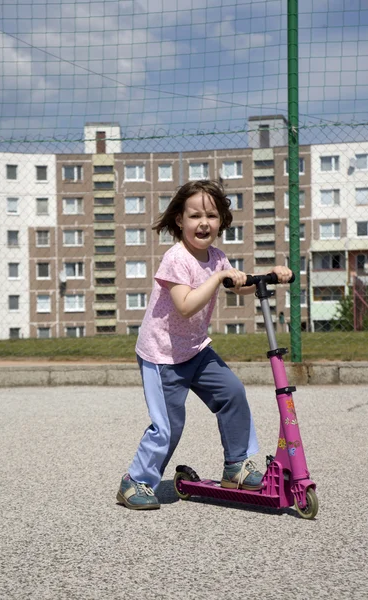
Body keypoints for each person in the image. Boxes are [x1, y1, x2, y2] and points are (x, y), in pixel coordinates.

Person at [116, 179, 292, 510]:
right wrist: (217, 279)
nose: (203, 223)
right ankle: (135, 480)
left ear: (221, 221)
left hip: (196, 350)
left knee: (232, 392)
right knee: (168, 426)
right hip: (162, 355)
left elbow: (236, 286)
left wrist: (265, 277)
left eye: (211, 216)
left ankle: (236, 466)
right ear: (179, 220)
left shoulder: (216, 257)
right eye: (195, 215)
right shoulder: (176, 258)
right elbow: (184, 304)